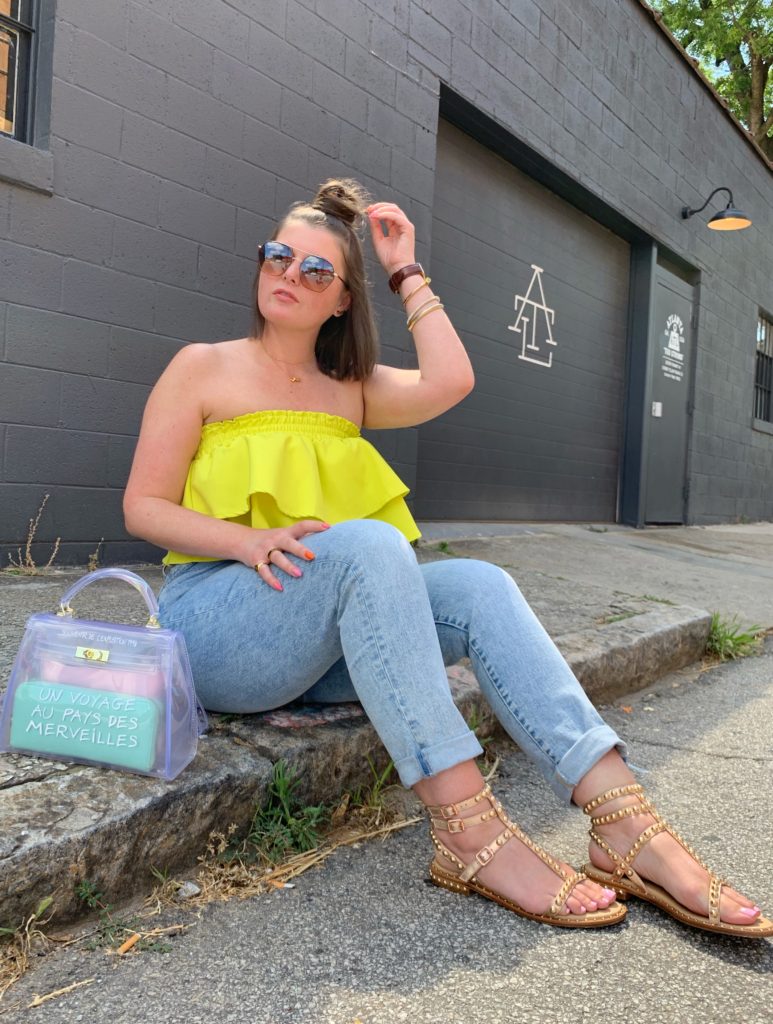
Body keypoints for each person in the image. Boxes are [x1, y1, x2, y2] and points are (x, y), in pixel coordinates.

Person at [124, 179, 771, 936]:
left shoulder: (351, 388)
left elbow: (451, 379)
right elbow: (143, 507)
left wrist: (404, 269)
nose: (288, 275)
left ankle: (624, 823)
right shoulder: (202, 366)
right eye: (277, 256)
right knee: (367, 542)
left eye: (315, 270)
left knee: (476, 584)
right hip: (218, 626)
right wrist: (246, 539)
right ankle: (466, 831)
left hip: (315, 647)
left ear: (340, 299)